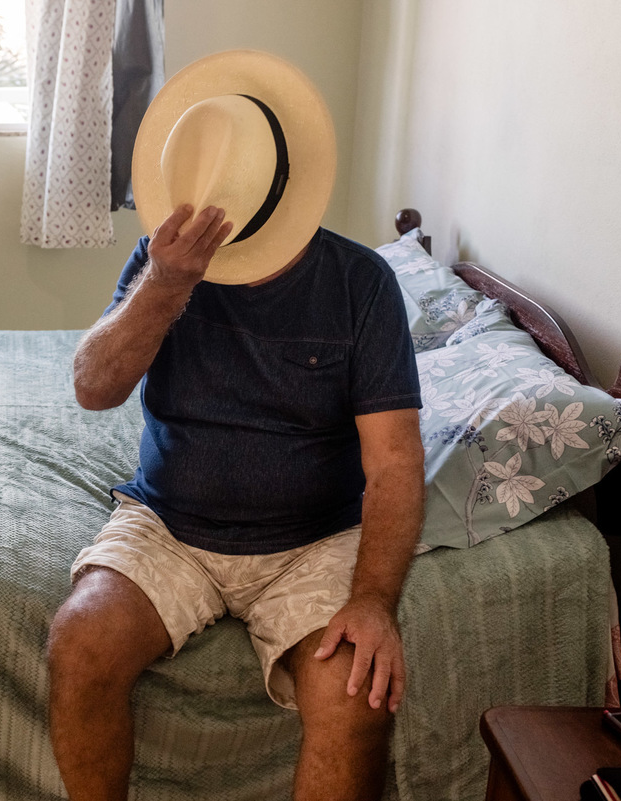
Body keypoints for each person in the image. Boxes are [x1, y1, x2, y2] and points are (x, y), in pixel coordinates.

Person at [47, 51, 425, 801]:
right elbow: (93, 386)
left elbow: (394, 463)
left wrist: (373, 599)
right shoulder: (161, 261)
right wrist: (167, 283)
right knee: (79, 643)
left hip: (312, 542)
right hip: (170, 524)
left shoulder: (362, 285)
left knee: (354, 696)